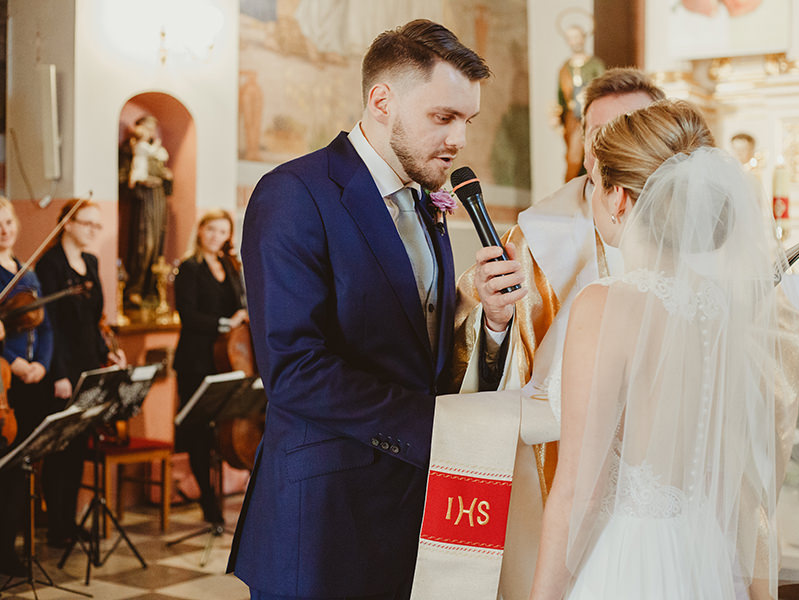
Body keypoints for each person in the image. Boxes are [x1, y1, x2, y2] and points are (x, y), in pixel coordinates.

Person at [228, 19, 523, 600]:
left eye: (467, 121)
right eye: (443, 117)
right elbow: (295, 371)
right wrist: (441, 430)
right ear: (382, 101)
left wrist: (487, 318)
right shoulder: (295, 193)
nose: (459, 139)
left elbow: (417, 345)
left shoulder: (427, 200)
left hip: (415, 507)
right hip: (326, 516)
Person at [529, 100, 799, 599]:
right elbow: (739, 480)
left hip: (632, 561)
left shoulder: (604, 305)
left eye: (596, 184)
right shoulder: (726, 306)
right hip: (705, 556)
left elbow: (579, 492)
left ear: (619, 197)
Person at [454, 68, 664, 600]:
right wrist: (494, 322)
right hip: (558, 471)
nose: (609, 144)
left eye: (631, 126)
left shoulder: (698, 244)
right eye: (597, 132)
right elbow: (489, 365)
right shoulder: (533, 237)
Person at [35, 199, 127, 548]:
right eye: (87, 223)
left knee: (78, 448)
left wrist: (107, 353)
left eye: (96, 225)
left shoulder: (90, 262)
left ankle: (69, 522)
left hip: (88, 366)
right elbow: (51, 325)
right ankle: (56, 525)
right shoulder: (50, 264)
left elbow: (92, 319)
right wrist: (58, 374)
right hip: (62, 369)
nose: (93, 230)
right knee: (60, 449)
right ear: (68, 224)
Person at [173, 209, 247, 527]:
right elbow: (188, 316)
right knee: (198, 432)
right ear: (201, 230)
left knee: (226, 427)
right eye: (212, 230)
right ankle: (207, 499)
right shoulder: (189, 268)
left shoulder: (230, 266)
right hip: (195, 360)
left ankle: (228, 492)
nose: (217, 236)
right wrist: (225, 323)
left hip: (227, 359)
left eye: (223, 231)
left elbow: (240, 306)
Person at [0, 197, 53, 577]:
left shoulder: (27, 273)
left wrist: (42, 365)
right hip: (4, 382)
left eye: (7, 222)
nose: (4, 230)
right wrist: (14, 362)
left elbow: (45, 326)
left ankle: (11, 548)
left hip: (32, 382)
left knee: (21, 469)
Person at [119, 115, 173, 308]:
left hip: (158, 199)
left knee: (157, 245)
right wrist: (140, 183)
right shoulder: (131, 149)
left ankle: (151, 290)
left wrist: (167, 178)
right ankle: (134, 289)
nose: (150, 132)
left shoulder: (157, 150)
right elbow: (124, 180)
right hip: (143, 200)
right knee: (144, 244)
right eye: (146, 127)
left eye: (152, 128)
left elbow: (168, 187)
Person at [557, 24, 605, 182]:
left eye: (577, 37)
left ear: (584, 38)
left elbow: (603, 88)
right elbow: (561, 99)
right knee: (573, 158)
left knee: (592, 156)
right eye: (571, 38)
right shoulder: (565, 68)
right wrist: (558, 120)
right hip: (572, 120)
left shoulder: (595, 65)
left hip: (592, 117)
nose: (575, 41)